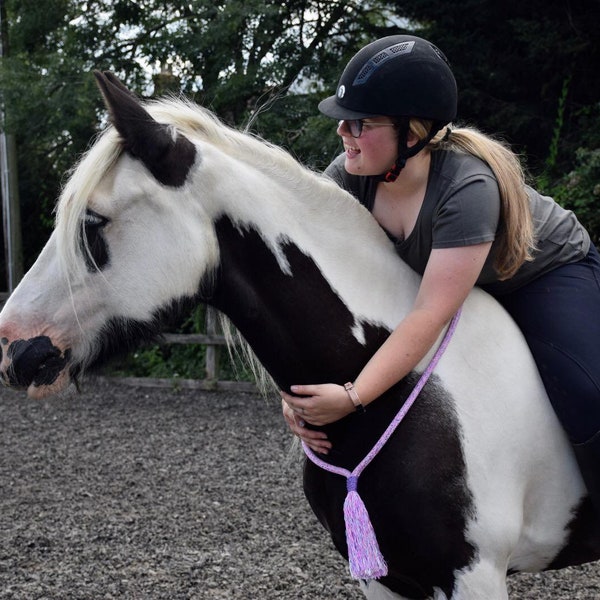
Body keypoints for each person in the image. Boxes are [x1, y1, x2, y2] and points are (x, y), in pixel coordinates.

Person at [280, 34, 600, 508]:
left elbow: (430, 313)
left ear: (410, 135)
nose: (342, 133)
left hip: (546, 276)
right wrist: (294, 394)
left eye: (359, 123)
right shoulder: (349, 176)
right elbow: (311, 289)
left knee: (584, 390)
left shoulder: (467, 187)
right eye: (343, 122)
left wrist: (351, 398)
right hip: (454, 282)